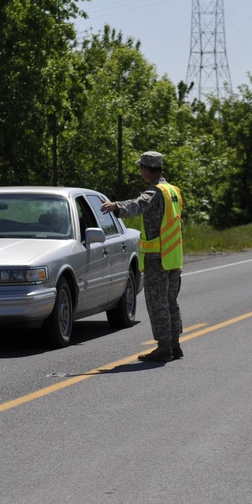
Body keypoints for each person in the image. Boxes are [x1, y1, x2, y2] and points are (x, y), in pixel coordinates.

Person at [100, 151, 184, 363]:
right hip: (174, 258)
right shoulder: (173, 191)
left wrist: (115, 206)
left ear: (146, 170)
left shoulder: (155, 192)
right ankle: (175, 345)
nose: (141, 173)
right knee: (171, 302)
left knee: (158, 304)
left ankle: (164, 347)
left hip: (158, 258)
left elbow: (138, 204)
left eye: (141, 169)